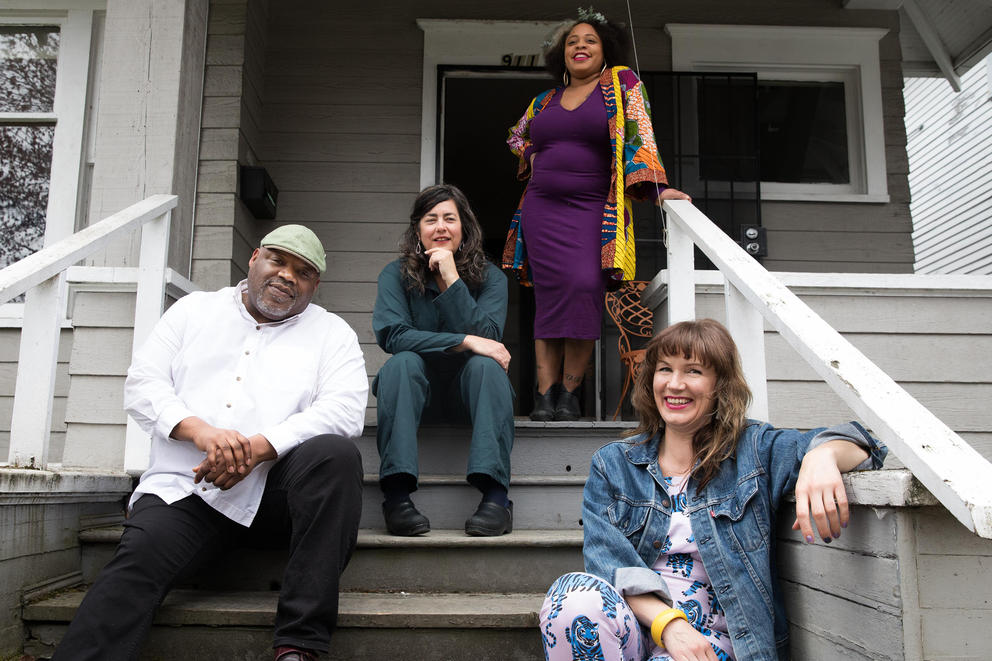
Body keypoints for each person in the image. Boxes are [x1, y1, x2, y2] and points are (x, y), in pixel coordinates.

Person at [52, 225, 369, 661]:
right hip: (186, 490)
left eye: (303, 271)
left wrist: (259, 447)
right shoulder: (193, 312)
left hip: (274, 499)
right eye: (278, 260)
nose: (287, 276)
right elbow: (144, 384)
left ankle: (300, 644)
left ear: (315, 284)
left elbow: (345, 410)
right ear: (254, 258)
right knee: (137, 562)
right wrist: (203, 432)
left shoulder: (332, 334)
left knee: (335, 455)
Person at [539, 319, 887, 661]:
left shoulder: (753, 450)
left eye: (693, 371)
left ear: (720, 385)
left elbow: (866, 443)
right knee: (570, 597)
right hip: (638, 634)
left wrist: (821, 455)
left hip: (717, 645)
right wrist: (669, 626)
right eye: (665, 369)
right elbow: (608, 566)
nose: (675, 384)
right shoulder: (614, 465)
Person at [503, 7, 691, 422]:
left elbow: (640, 131)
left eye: (589, 40)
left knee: (584, 288)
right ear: (562, 55)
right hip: (542, 210)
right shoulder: (544, 101)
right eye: (572, 42)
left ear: (605, 49)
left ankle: (570, 393)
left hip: (592, 210)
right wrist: (532, 152)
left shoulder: (621, 84)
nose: (580, 46)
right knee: (549, 298)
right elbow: (516, 135)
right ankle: (544, 395)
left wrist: (657, 189)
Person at [373, 184, 515, 537]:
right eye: (430, 219)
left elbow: (490, 337)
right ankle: (396, 497)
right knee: (401, 364)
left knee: (487, 365)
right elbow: (393, 335)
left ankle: (496, 500)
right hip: (414, 396)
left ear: (463, 228)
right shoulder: (395, 274)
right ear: (417, 230)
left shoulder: (492, 278)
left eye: (449, 219)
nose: (440, 227)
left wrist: (451, 277)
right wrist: (464, 340)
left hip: (472, 398)